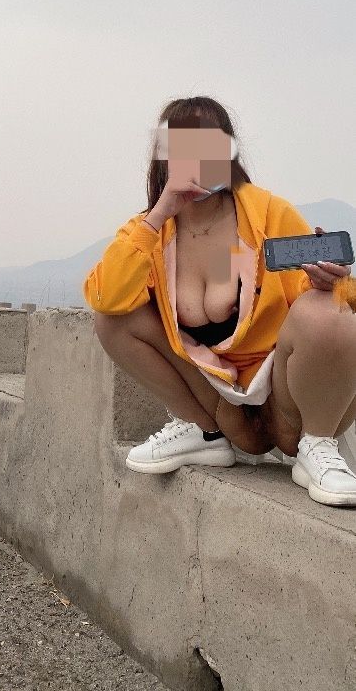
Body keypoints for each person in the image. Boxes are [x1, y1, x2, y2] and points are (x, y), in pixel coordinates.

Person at [83, 96, 356, 508]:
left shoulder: (268, 213)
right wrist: (159, 213)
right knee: (113, 320)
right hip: (218, 402)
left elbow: (333, 311)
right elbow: (105, 296)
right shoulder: (150, 231)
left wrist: (334, 283)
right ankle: (200, 431)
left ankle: (318, 447)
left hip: (286, 403)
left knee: (327, 308)